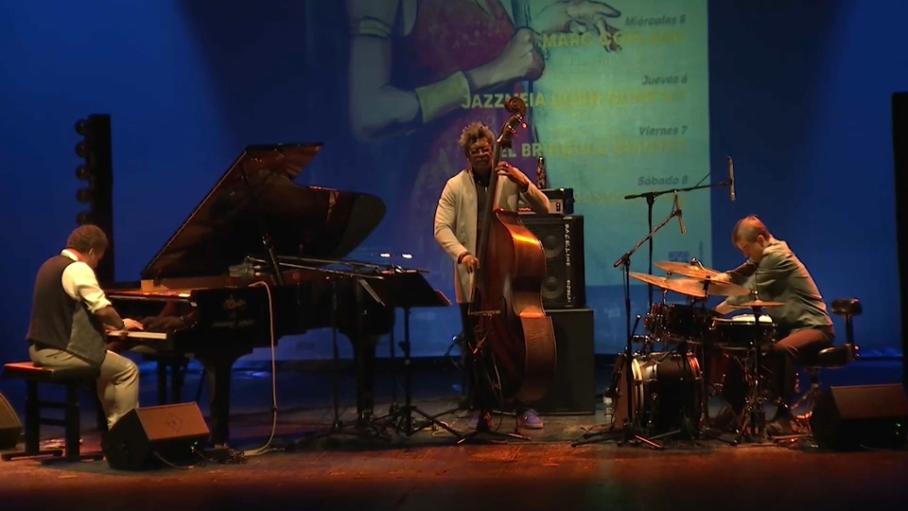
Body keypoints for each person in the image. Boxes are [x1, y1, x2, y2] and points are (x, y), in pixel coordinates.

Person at [434, 121, 551, 430]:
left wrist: (523, 182)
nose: (482, 154)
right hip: (474, 280)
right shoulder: (455, 186)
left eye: (486, 148)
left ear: (493, 148)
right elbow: (441, 228)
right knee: (478, 348)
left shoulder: (509, 179)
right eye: (476, 151)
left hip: (507, 283)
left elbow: (545, 208)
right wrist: (462, 254)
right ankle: (484, 408)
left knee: (517, 344)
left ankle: (523, 406)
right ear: (467, 155)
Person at [714, 215, 834, 435]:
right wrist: (717, 278)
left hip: (815, 328)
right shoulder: (762, 257)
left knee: (782, 350)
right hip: (789, 329)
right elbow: (742, 273)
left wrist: (715, 312)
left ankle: (785, 417)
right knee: (744, 347)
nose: (745, 254)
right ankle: (735, 411)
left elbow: (749, 290)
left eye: (746, 248)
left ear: (761, 240)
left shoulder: (777, 257)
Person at [25, 225, 144, 430]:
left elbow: (64, 314)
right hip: (62, 352)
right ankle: (127, 435)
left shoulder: (49, 265)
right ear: (91, 251)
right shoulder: (78, 268)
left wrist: (99, 329)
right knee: (127, 370)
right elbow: (102, 310)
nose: (96, 265)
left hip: (39, 349)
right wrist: (121, 324)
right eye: (98, 259)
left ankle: (114, 432)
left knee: (108, 368)